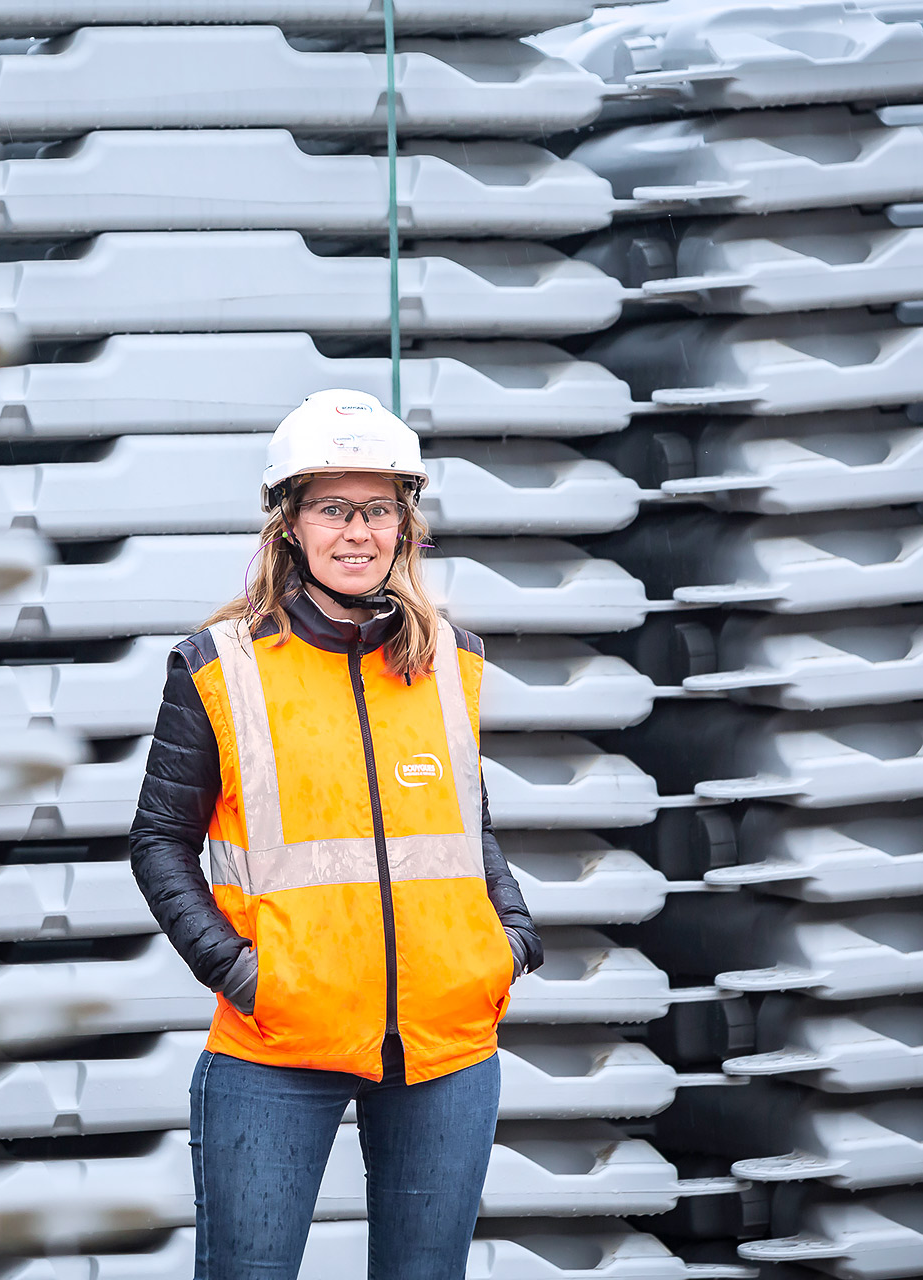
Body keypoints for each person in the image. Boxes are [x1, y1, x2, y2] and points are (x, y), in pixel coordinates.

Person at [128, 389, 544, 1280]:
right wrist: (245, 976)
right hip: (278, 1040)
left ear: (406, 525)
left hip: (446, 1043)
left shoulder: (450, 664)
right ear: (289, 524)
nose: (357, 532)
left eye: (379, 509)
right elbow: (159, 842)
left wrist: (507, 943)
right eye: (332, 508)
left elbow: (467, 824)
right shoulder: (219, 666)